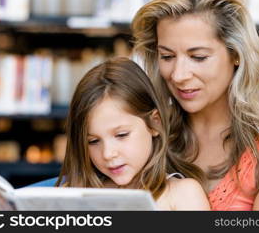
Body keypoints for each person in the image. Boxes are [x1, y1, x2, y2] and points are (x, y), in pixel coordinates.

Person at [132, 0, 259, 210]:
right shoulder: (144, 137)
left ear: (236, 53)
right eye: (167, 56)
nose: (178, 74)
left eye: (198, 57)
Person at [56, 57, 210, 211]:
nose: (108, 154)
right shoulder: (74, 194)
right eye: (93, 141)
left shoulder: (182, 194)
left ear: (154, 123)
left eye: (121, 135)